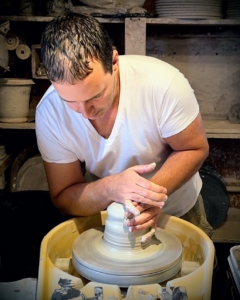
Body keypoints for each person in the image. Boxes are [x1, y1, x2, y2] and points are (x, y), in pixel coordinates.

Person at [35, 12, 213, 241]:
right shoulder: (50, 112)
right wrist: (110, 188)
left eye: (95, 96)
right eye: (71, 102)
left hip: (176, 206)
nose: (86, 113)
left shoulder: (163, 84)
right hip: (108, 213)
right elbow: (63, 196)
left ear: (115, 62)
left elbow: (194, 148)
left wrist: (146, 197)